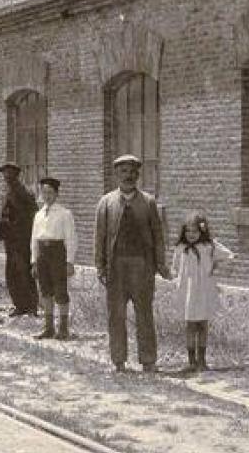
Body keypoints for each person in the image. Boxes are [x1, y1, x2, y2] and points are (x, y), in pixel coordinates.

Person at [93, 153, 169, 372]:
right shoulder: (106, 203)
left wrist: (160, 264)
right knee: (115, 314)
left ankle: (148, 360)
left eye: (132, 172)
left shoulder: (148, 202)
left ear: (138, 175)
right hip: (115, 268)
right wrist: (100, 265)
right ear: (117, 174)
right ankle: (118, 360)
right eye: (123, 171)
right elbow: (99, 237)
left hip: (141, 267)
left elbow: (158, 236)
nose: (128, 176)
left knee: (144, 312)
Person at [172, 213, 233, 372]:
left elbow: (229, 256)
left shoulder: (209, 247)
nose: (191, 235)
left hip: (204, 290)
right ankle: (191, 360)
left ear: (202, 231)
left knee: (203, 324)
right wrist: (179, 282)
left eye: (195, 231)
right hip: (189, 292)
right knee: (190, 325)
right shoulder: (181, 248)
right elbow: (176, 268)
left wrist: (215, 266)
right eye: (188, 231)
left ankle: (202, 360)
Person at [29, 175, 77, 340]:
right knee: (45, 290)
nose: (46, 196)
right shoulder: (38, 214)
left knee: (60, 291)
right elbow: (34, 239)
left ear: (56, 194)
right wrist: (34, 261)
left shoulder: (64, 214)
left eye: (50, 193)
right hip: (42, 254)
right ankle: (48, 328)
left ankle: (63, 329)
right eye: (44, 193)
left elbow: (71, 239)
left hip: (57, 253)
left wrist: (69, 261)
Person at [0, 161, 40, 316]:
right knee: (12, 272)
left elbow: (33, 212)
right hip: (10, 239)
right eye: (4, 173)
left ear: (16, 175)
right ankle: (19, 305)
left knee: (24, 271)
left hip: (21, 239)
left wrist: (21, 228)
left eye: (9, 173)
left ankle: (32, 307)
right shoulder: (7, 190)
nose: (6, 176)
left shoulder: (23, 192)